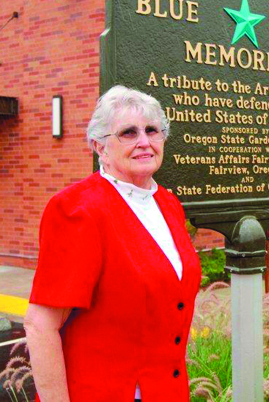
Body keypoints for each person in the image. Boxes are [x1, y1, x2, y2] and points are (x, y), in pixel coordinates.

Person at [24, 85, 201, 402]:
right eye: (128, 133)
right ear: (99, 147)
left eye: (152, 130)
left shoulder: (168, 203)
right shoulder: (78, 210)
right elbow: (40, 326)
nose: (144, 142)